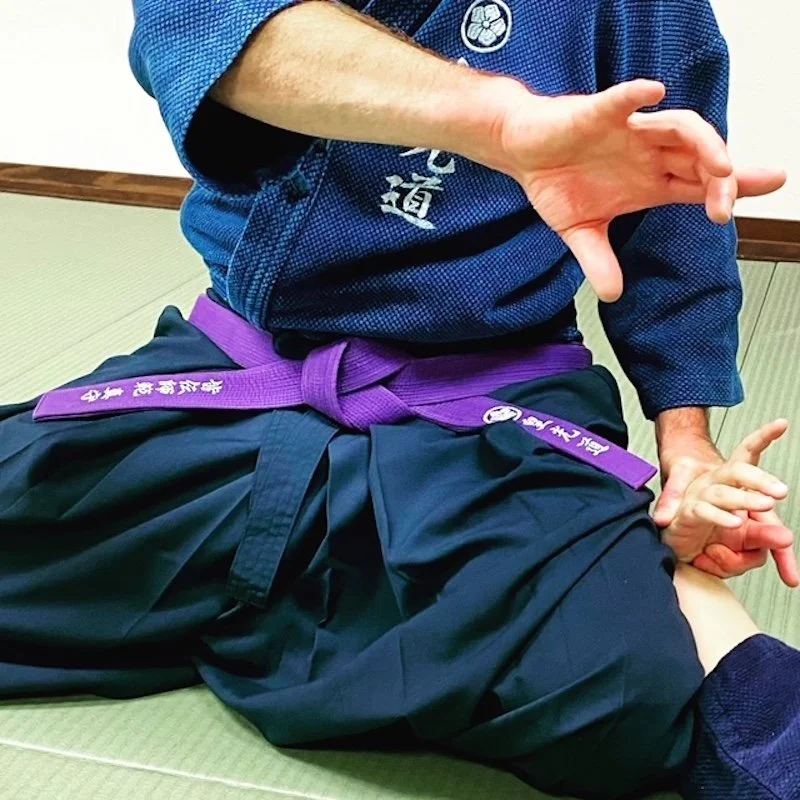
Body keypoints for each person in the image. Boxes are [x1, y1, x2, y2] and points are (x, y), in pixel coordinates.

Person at [0, 0, 798, 797]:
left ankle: (625, 597)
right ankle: (372, 608)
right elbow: (212, 31)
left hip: (486, 399)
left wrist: (687, 451)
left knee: (628, 690)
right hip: (244, 369)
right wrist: (501, 122)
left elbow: (676, 220)